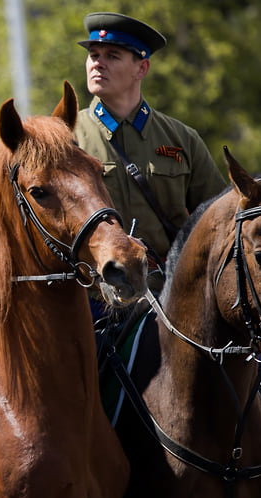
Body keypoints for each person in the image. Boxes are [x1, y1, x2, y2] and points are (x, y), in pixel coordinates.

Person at [73, 12, 227, 295]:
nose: (97, 63)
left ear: (141, 68)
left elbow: (220, 220)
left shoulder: (182, 139)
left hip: (172, 298)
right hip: (93, 298)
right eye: (93, 54)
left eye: (112, 56)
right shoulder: (67, 139)